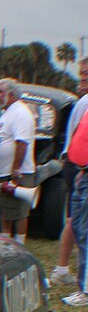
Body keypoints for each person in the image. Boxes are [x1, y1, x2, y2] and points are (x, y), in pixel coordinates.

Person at [51, 57, 88, 290]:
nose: (83, 78)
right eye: (82, 74)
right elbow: (76, 136)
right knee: (76, 220)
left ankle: (65, 269)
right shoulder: (83, 101)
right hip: (77, 164)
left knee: (77, 221)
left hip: (78, 163)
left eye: (87, 74)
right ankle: (64, 268)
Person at [0, 77, 37, 244]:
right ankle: (6, 242)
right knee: (5, 211)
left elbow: (21, 142)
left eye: (0, 91)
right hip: (3, 173)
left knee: (19, 212)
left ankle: (19, 244)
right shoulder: (8, 112)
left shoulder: (20, 112)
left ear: (12, 94)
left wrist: (16, 169)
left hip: (14, 172)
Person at [61, 59, 88, 306]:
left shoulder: (85, 102)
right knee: (79, 226)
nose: (82, 79)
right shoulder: (84, 103)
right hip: (81, 170)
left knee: (82, 228)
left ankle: (85, 289)